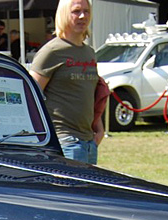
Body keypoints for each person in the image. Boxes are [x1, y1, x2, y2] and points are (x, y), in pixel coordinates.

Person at [30, 0, 102, 163]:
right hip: (65, 143)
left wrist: (99, 129)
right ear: (63, 14)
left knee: (88, 189)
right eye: (76, 11)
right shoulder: (52, 51)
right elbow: (30, 97)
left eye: (86, 11)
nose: (82, 16)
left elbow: (90, 94)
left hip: (89, 143)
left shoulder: (89, 53)